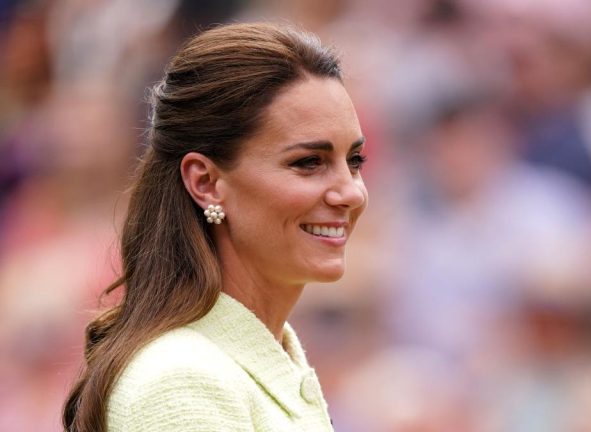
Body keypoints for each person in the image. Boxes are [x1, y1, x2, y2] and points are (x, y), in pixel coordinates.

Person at [62, 22, 368, 432]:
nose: (349, 193)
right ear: (205, 182)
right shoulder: (182, 382)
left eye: (354, 162)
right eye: (308, 162)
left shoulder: (257, 357)